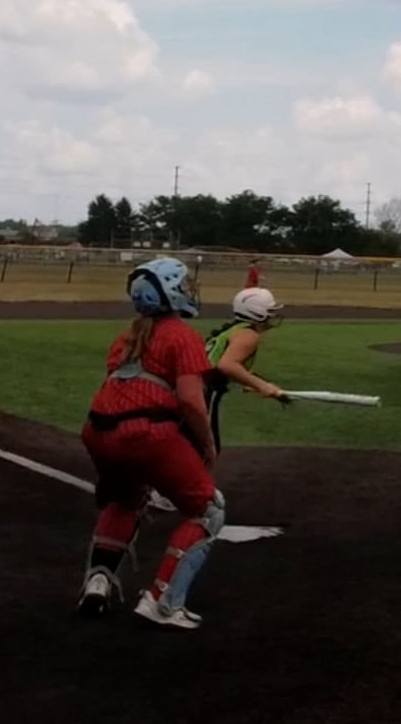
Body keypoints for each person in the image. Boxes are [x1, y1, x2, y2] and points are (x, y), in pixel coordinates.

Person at [74, 258, 225, 630]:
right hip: (146, 434)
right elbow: (190, 401)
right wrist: (207, 443)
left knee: (125, 500)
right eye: (183, 284)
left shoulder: (126, 337)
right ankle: (164, 602)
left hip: (98, 431)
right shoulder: (182, 336)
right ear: (170, 292)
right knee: (208, 510)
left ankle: (98, 581)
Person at [203, 287, 288, 463]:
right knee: (207, 447)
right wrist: (262, 386)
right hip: (205, 392)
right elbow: (227, 365)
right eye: (270, 311)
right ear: (257, 312)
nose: (273, 315)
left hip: (197, 387)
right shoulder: (249, 335)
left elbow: (228, 366)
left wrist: (257, 383)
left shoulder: (234, 329)